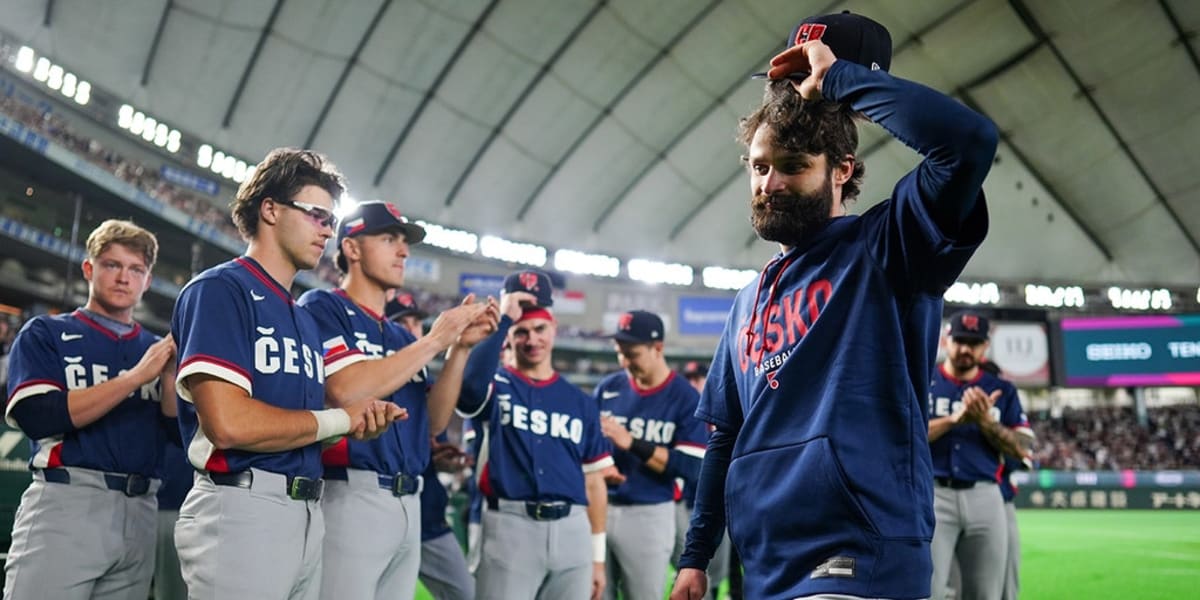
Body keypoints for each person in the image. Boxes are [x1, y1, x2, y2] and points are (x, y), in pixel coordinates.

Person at [672, 10, 997, 600]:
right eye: (759, 167)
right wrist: (695, 558)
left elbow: (969, 144)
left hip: (860, 550)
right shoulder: (746, 302)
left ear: (842, 171)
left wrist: (839, 80)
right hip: (763, 562)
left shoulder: (891, 244)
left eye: (792, 168)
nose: (768, 184)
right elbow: (725, 439)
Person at [171, 149, 404, 599]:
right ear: (270, 209)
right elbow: (229, 424)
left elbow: (297, 426)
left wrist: (356, 425)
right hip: (241, 506)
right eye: (317, 215)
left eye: (331, 221)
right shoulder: (220, 288)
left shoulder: (303, 316)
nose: (326, 231)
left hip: (307, 510)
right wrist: (341, 419)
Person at [297, 201, 494, 599]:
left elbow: (434, 423)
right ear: (352, 249)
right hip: (350, 492)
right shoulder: (322, 306)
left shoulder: (404, 338)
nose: (403, 251)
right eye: (389, 239)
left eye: (404, 242)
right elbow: (346, 390)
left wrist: (458, 351)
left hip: (410, 499)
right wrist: (436, 340)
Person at [4, 219, 177, 599]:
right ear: (89, 269)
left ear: (147, 281)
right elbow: (40, 415)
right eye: (112, 265)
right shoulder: (45, 332)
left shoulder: (155, 349)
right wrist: (134, 378)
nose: (123, 278)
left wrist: (167, 380)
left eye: (136, 270)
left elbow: (177, 436)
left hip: (143, 507)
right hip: (69, 500)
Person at [458, 269, 614, 600]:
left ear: (554, 328)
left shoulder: (581, 402)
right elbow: (468, 392)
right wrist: (502, 320)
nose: (532, 340)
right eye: (521, 331)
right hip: (510, 525)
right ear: (509, 338)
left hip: (573, 528)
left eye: (540, 328)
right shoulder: (496, 385)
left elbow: (594, 482)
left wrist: (598, 558)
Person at [595, 311, 707, 600]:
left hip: (650, 512)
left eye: (632, 353)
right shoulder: (608, 388)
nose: (624, 362)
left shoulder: (685, 397)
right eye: (620, 353)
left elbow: (693, 467)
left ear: (658, 348)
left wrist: (631, 442)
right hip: (599, 507)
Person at [927, 312, 1033, 600]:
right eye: (960, 340)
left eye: (973, 343)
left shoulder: (1002, 389)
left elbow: (1022, 450)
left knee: (986, 594)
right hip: (932, 495)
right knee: (929, 592)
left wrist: (986, 421)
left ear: (985, 346)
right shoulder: (924, 378)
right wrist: (954, 420)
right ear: (946, 340)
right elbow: (904, 438)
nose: (965, 349)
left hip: (985, 494)